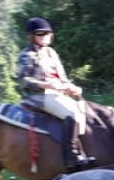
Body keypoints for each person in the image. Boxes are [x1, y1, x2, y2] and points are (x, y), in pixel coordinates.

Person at [16, 17, 91, 169]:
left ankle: (82, 147)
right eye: (40, 33)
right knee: (72, 114)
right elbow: (23, 81)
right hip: (39, 96)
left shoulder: (51, 53)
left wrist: (71, 87)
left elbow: (61, 78)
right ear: (32, 37)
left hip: (57, 93)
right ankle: (71, 156)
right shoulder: (27, 55)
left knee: (84, 111)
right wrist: (46, 84)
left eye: (47, 33)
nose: (44, 36)